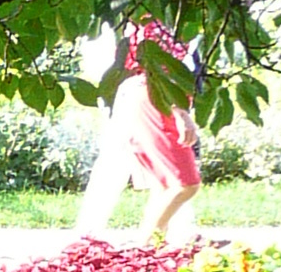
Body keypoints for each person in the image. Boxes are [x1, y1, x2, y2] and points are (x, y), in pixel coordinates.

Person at [75, 21, 202, 243]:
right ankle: (146, 245)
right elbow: (158, 69)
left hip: (144, 93)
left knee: (162, 179)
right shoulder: (154, 16)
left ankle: (156, 242)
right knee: (181, 182)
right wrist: (179, 111)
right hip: (153, 94)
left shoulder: (170, 13)